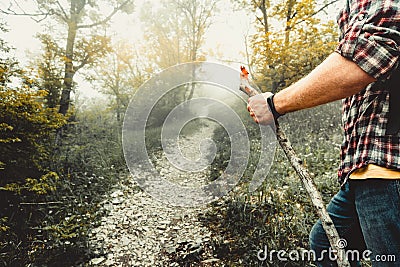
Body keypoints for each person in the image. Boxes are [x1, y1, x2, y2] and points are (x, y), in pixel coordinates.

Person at [247, 0, 400, 266]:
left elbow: (363, 61)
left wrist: (275, 104)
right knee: (325, 244)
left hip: (388, 169)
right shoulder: (354, 6)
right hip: (365, 168)